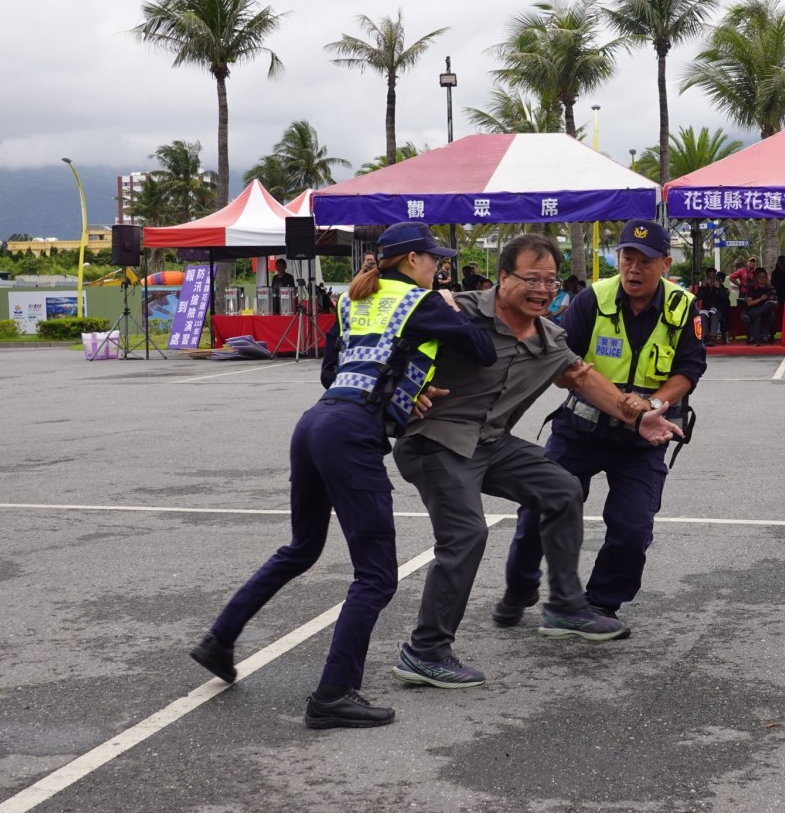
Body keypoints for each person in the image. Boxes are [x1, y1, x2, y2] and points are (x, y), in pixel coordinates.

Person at [190, 222, 497, 729]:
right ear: (413, 260)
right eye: (434, 259)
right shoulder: (420, 303)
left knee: (302, 547)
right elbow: (482, 353)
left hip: (316, 422)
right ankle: (333, 693)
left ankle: (219, 640)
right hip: (351, 435)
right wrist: (444, 309)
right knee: (376, 575)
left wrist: (395, 389)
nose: (439, 267)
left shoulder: (354, 301)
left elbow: (332, 372)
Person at [391, 232, 683, 689]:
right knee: (466, 535)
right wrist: (403, 391)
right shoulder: (456, 311)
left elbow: (584, 379)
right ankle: (425, 650)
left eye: (550, 281)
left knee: (562, 488)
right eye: (531, 278)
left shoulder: (548, 337)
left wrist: (638, 418)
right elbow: (381, 339)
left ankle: (565, 606)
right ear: (502, 277)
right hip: (437, 443)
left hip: (492, 445)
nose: (543, 289)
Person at [496, 220, 706, 635]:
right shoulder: (593, 299)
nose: (633, 269)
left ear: (665, 263)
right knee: (539, 511)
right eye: (627, 258)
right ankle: (520, 587)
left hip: (645, 438)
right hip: (582, 429)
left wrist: (653, 404)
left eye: (645, 261)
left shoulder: (683, 306)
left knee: (632, 526)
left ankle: (600, 604)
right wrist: (617, 400)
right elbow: (560, 363)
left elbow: (690, 368)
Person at [742, 267, 778, 345]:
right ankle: (757, 339)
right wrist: (760, 299)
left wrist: (771, 299)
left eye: (764, 277)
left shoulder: (770, 288)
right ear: (757, 278)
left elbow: (775, 301)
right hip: (753, 309)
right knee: (758, 316)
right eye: (760, 277)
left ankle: (756, 339)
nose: (762, 279)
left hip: (765, 310)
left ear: (766, 278)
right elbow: (749, 303)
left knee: (770, 305)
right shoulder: (752, 288)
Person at [696, 270, 731, 345]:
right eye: (709, 275)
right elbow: (698, 297)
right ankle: (705, 336)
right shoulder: (704, 287)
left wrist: (718, 288)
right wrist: (703, 287)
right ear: (707, 277)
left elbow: (724, 298)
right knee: (702, 316)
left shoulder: (720, 286)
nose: (711, 278)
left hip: (718, 310)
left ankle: (712, 337)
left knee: (714, 315)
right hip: (706, 309)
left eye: (713, 275)